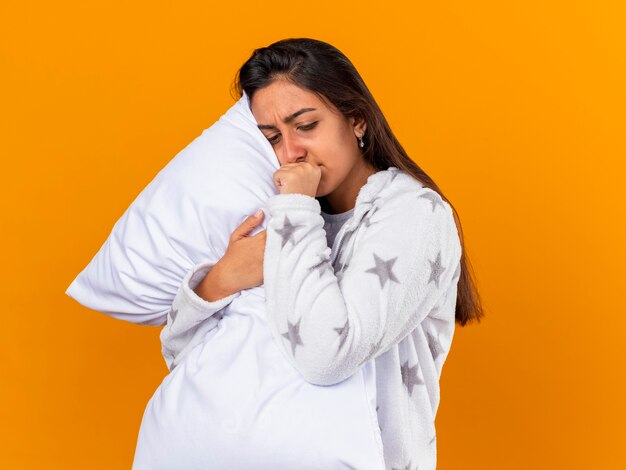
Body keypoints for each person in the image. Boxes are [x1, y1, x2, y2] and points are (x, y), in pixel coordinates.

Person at [164, 38, 484, 470]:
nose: (291, 152)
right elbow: (185, 359)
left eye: (306, 125)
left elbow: (326, 355)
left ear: (356, 119)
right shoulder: (273, 217)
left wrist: (295, 207)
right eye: (273, 138)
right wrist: (221, 279)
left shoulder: (413, 214)